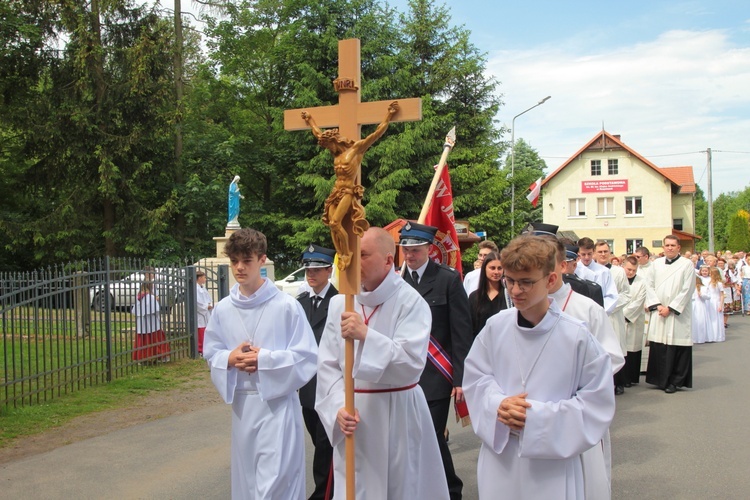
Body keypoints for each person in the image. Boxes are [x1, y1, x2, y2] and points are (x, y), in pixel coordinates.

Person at [463, 235, 615, 499]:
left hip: (553, 464)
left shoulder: (576, 337)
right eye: (510, 280)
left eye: (526, 282)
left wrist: (534, 418)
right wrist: (498, 404)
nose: (515, 291)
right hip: (502, 459)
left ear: (551, 280)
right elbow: (476, 379)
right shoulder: (495, 327)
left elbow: (596, 404)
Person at [315, 227, 449, 499]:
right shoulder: (340, 303)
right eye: (351, 255)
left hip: (397, 412)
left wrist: (365, 335)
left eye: (363, 255)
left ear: (389, 260)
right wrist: (337, 408)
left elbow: (411, 364)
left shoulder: (411, 302)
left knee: (400, 488)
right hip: (354, 417)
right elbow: (327, 366)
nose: (353, 262)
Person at [203, 228, 318, 499]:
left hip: (276, 407)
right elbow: (212, 352)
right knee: (248, 482)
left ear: (262, 260)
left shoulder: (286, 307)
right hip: (244, 408)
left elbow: (307, 356)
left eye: (247, 260)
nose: (239, 268)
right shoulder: (223, 309)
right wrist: (229, 358)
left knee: (276, 483)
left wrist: (264, 359)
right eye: (234, 262)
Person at [400, 221, 472, 500]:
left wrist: (460, 378)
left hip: (436, 374)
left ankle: (451, 489)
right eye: (405, 250)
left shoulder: (448, 279)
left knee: (431, 435)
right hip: (405, 373)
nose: (409, 255)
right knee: (410, 437)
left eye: (415, 249)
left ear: (429, 249)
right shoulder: (397, 281)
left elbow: (461, 331)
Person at [301, 102, 399, 271]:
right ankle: (341, 252)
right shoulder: (335, 153)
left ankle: (346, 253)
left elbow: (376, 134)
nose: (328, 149)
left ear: (334, 141)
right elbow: (318, 135)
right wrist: (310, 120)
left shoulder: (355, 150)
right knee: (331, 225)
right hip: (335, 192)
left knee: (335, 222)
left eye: (328, 145)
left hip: (348, 191)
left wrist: (389, 115)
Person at [297, 244, 338, 500]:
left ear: (329, 270)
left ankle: (323, 493)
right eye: (308, 269)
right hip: (307, 386)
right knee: (317, 441)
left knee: (326, 445)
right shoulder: (300, 302)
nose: (310, 274)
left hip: (330, 384)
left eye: (316, 269)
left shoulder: (340, 300)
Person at [645, 235, 695, 394]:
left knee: (676, 345)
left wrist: (670, 308)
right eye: (667, 245)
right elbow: (649, 285)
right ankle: (659, 379)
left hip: (676, 312)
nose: (670, 248)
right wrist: (658, 305)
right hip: (659, 310)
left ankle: (675, 381)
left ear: (679, 247)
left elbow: (687, 289)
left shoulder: (686, 265)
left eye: (673, 245)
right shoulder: (656, 264)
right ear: (663, 247)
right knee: (659, 345)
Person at [594, 240, 630, 395]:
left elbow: (625, 294)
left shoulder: (618, 271)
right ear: (595, 253)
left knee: (615, 348)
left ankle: (619, 382)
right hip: (595, 316)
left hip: (613, 315)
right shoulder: (590, 270)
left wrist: (607, 308)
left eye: (605, 251)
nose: (603, 254)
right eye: (600, 251)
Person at [468, 251, 509, 337]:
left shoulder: (509, 296)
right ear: (484, 269)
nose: (496, 272)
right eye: (492, 268)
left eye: (499, 268)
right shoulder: (474, 297)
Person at [622, 256, 647, 386]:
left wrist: (625, 314)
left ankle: (631, 378)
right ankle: (622, 379)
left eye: (634, 270)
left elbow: (639, 302)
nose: (630, 272)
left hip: (633, 319)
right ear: (623, 266)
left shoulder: (642, 282)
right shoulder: (618, 280)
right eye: (628, 269)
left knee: (633, 348)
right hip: (619, 317)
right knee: (622, 349)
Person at [576, 237, 619, 314]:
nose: (587, 257)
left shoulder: (604, 271)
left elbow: (612, 296)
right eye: (583, 254)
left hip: (598, 313)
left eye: (589, 254)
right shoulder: (574, 270)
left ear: (593, 252)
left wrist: (599, 312)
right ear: (578, 253)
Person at [131, 282, 171, 363]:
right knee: (156, 339)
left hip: (142, 323)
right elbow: (156, 310)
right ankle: (161, 356)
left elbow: (134, 310)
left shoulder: (139, 297)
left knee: (143, 340)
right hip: (152, 322)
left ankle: (142, 358)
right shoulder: (151, 297)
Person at [196, 270, 213, 357]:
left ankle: (205, 348)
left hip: (206, 312)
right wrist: (206, 306)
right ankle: (200, 349)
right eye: (204, 277)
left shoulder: (202, 287)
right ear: (199, 278)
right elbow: (197, 302)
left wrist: (209, 304)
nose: (205, 279)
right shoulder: (196, 288)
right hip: (201, 313)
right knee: (201, 330)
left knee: (205, 330)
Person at [705, 267, 726, 342]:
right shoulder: (709, 282)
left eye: (711, 273)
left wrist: (721, 305)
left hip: (716, 302)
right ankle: (711, 336)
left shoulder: (719, 284)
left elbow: (722, 295)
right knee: (710, 318)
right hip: (709, 301)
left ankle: (717, 336)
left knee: (716, 319)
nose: (709, 274)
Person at [691, 276, 710, 344]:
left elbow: (708, 297)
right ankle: (694, 338)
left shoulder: (703, 288)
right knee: (694, 322)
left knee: (701, 321)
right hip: (693, 305)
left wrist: (702, 295)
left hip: (700, 306)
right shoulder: (691, 288)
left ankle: (701, 338)